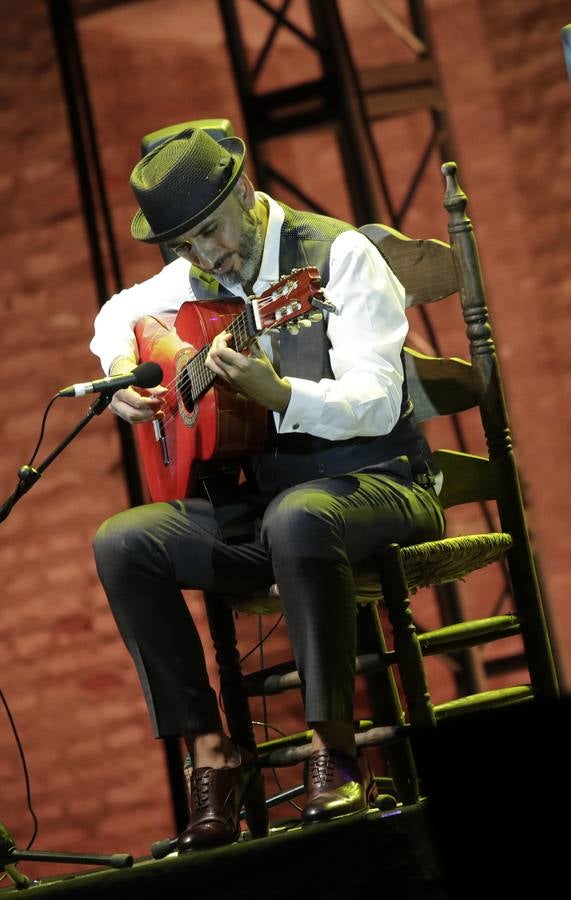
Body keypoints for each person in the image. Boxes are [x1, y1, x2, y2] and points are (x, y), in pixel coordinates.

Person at [90, 126, 445, 852]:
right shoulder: (197, 272)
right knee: (123, 544)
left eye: (211, 232)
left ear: (246, 193)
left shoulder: (338, 256)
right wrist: (123, 369)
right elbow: (115, 311)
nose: (205, 257)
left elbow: (379, 401)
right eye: (185, 246)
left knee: (298, 517)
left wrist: (281, 395)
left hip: (381, 483)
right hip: (276, 508)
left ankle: (334, 752)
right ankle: (210, 754)